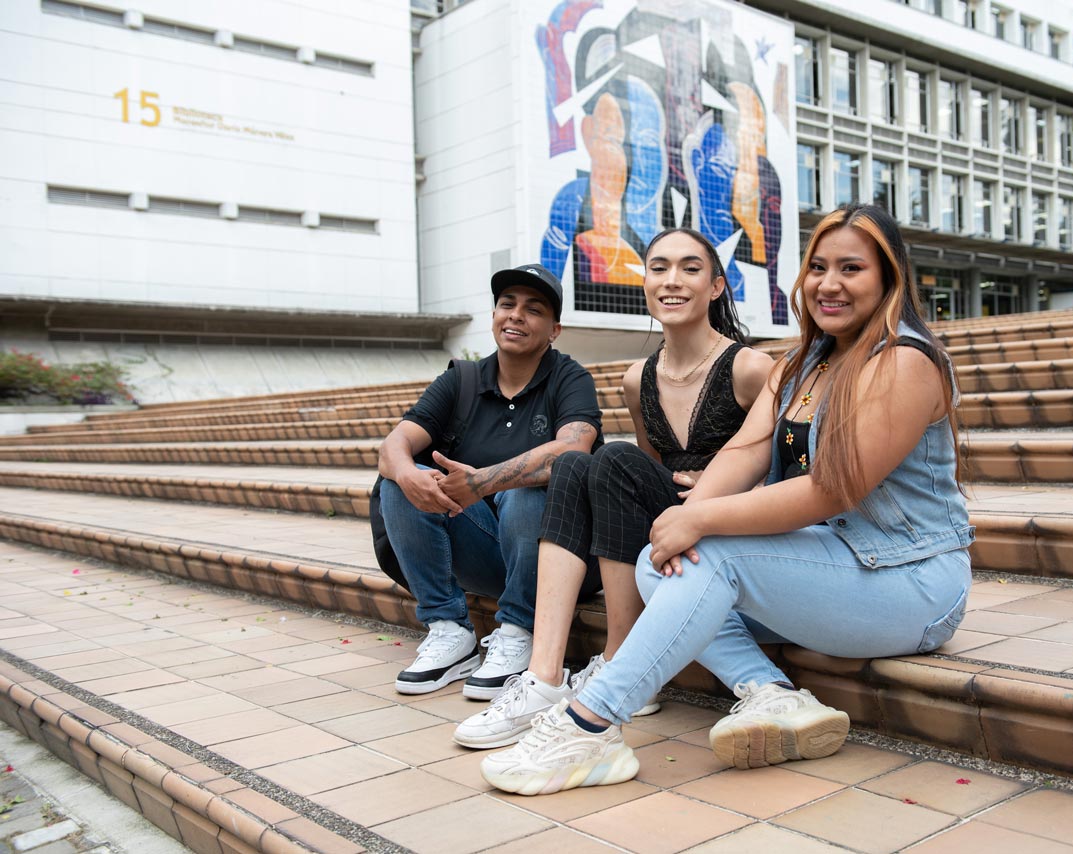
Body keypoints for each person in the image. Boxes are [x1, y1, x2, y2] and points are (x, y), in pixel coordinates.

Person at [479, 204, 975, 795]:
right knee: (654, 564)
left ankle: (589, 724)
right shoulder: (804, 365)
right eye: (818, 267)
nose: (829, 284)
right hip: (841, 561)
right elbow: (745, 452)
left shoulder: (904, 362)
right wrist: (684, 521)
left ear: (888, 279)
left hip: (913, 579)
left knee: (711, 554)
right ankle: (774, 695)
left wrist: (704, 519)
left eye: (852, 268)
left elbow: (832, 489)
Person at [453, 228, 774, 748]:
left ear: (716, 286)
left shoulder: (750, 367)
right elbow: (646, 469)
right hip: (664, 522)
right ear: (644, 281)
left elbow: (779, 468)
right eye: (659, 268)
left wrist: (723, 484)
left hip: (724, 523)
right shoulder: (636, 378)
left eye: (690, 269)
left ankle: (622, 659)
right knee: (582, 464)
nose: (672, 280)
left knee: (609, 457)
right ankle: (544, 673)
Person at [378, 264, 604, 699]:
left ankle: (519, 631)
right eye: (507, 305)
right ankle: (449, 631)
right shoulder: (461, 380)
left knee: (525, 490)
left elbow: (574, 449)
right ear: (494, 315)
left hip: (559, 557)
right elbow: (394, 445)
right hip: (487, 551)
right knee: (401, 477)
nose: (516, 315)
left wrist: (482, 482)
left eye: (533, 309)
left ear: (554, 329)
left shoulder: (569, 379)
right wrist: (408, 474)